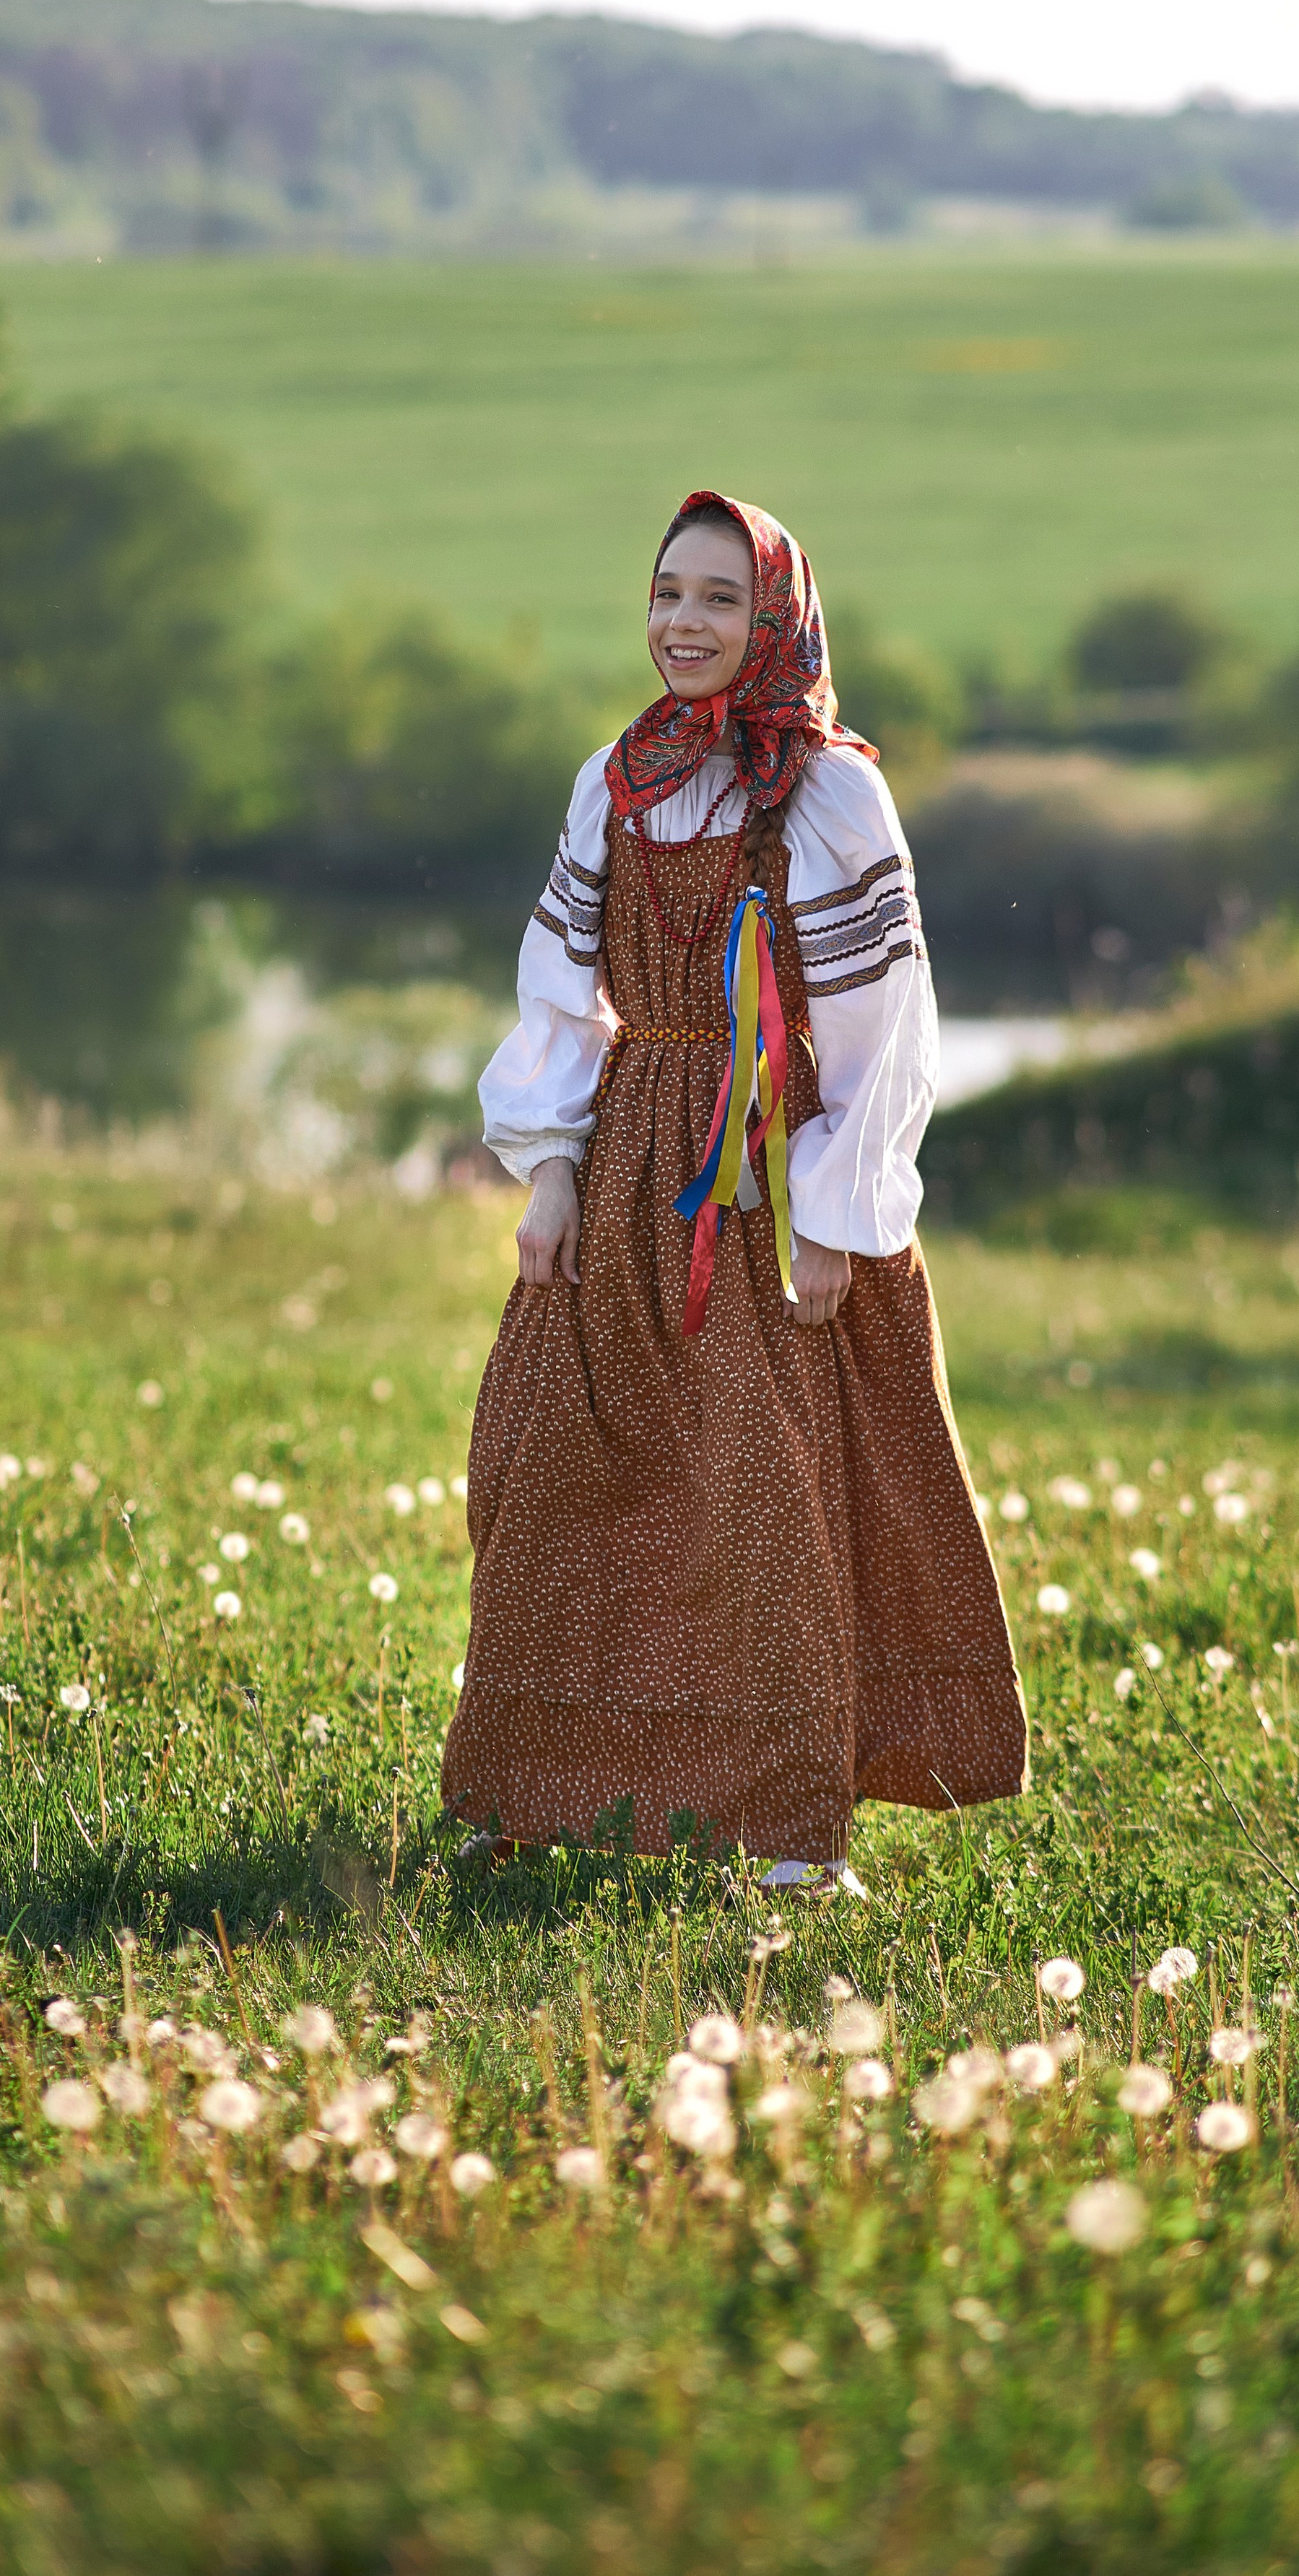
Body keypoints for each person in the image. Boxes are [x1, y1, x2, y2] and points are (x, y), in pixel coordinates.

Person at [440, 491, 1027, 1892]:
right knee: (560, 1472)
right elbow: (559, 992)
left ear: (775, 619)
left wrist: (833, 1211)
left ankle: (783, 1823)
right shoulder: (616, 777)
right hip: (631, 1153)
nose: (682, 624)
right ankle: (530, 1784)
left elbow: (889, 1014)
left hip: (761, 1173)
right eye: (663, 596)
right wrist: (552, 1169)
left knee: (762, 1493)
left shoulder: (827, 789)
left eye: (717, 599)